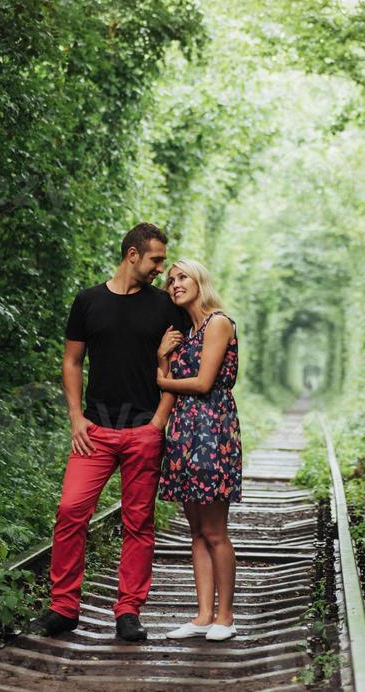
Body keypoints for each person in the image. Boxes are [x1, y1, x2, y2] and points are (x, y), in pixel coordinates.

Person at [31, 223, 188, 643]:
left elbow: (177, 366)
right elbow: (71, 361)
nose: (161, 268)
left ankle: (128, 612)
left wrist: (159, 422)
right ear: (132, 255)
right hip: (94, 431)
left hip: (143, 430)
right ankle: (64, 608)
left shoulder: (164, 308)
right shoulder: (88, 301)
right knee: (69, 512)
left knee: (139, 523)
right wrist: (76, 418)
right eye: (156, 259)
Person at [155, 259, 242, 642]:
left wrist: (161, 377)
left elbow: (204, 382)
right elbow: (171, 382)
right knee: (195, 531)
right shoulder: (184, 333)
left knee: (215, 530)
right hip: (184, 432)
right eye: (170, 280)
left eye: (182, 277)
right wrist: (162, 356)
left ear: (200, 279)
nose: (174, 284)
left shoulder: (218, 322)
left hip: (211, 431)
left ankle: (226, 617)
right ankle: (203, 615)